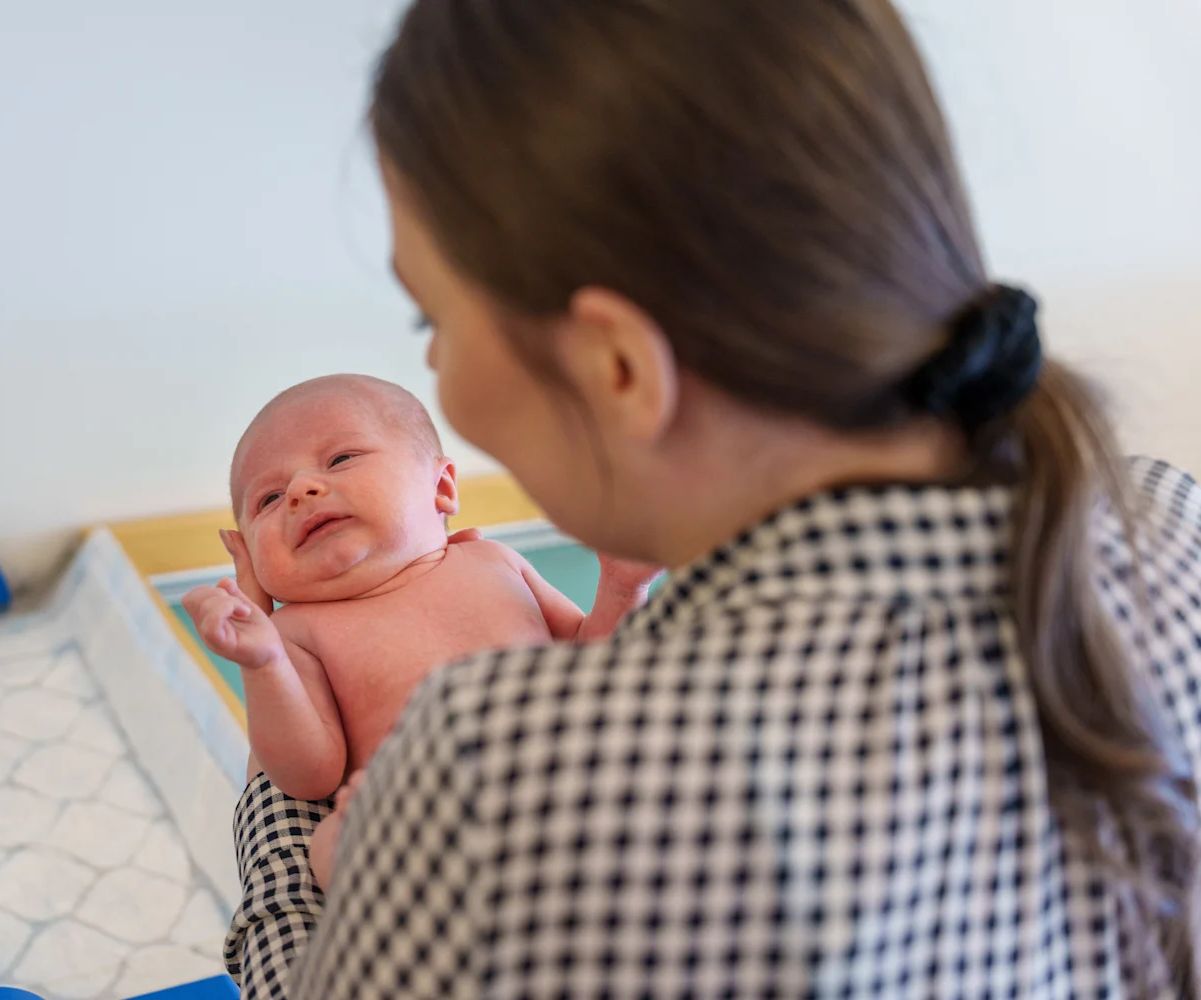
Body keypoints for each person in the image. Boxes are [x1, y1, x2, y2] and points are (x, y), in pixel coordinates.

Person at [224, 1, 1201, 996]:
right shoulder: (1170, 519)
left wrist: (288, 803)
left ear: (617, 368)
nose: (435, 363)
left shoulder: (493, 772)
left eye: (431, 316)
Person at [183, 374, 655, 887]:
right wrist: (263, 664)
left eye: (340, 459)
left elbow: (598, 667)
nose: (299, 490)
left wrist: (621, 588)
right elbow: (307, 775)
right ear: (250, 554)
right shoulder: (295, 632)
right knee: (329, 845)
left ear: (442, 488)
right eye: (268, 500)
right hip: (441, 836)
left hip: (580, 779)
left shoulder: (493, 561)